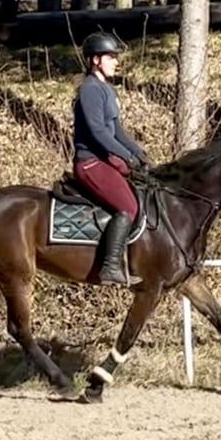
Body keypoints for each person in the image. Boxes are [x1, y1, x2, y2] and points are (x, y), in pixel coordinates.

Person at [72, 32, 151, 287]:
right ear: (96, 60)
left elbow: (117, 131)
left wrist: (139, 154)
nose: (116, 62)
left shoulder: (107, 89)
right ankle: (109, 267)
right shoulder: (90, 89)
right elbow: (98, 132)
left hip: (104, 160)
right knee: (128, 207)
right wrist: (125, 156)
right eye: (111, 57)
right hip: (90, 163)